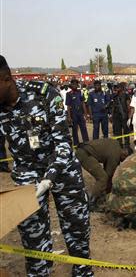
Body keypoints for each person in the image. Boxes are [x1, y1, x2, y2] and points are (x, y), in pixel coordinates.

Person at [0, 55, 93, 276]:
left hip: (63, 169)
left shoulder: (43, 93)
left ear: (5, 79)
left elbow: (62, 144)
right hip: (26, 174)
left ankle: (82, 272)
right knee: (33, 238)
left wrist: (48, 179)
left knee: (77, 229)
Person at [76, 138, 129, 206]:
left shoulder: (115, 144)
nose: (122, 161)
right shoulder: (116, 155)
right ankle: (91, 202)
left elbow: (107, 166)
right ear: (125, 154)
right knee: (102, 178)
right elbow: (109, 174)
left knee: (103, 176)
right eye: (124, 160)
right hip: (85, 154)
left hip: (84, 149)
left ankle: (98, 195)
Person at [66, 79, 90, 146]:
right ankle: (76, 144)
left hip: (80, 114)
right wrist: (69, 117)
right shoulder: (68, 94)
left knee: (84, 128)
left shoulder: (80, 92)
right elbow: (68, 106)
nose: (74, 85)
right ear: (71, 85)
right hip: (74, 114)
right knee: (74, 130)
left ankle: (86, 143)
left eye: (76, 84)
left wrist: (85, 114)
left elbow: (83, 104)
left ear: (77, 85)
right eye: (73, 84)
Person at [111, 83, 131, 150]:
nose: (117, 88)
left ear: (122, 88)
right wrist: (112, 115)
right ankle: (119, 145)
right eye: (117, 87)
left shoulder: (126, 95)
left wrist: (129, 117)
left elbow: (128, 106)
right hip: (116, 117)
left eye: (118, 87)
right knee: (118, 132)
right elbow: (113, 106)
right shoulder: (115, 96)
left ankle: (127, 146)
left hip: (124, 116)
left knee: (126, 132)